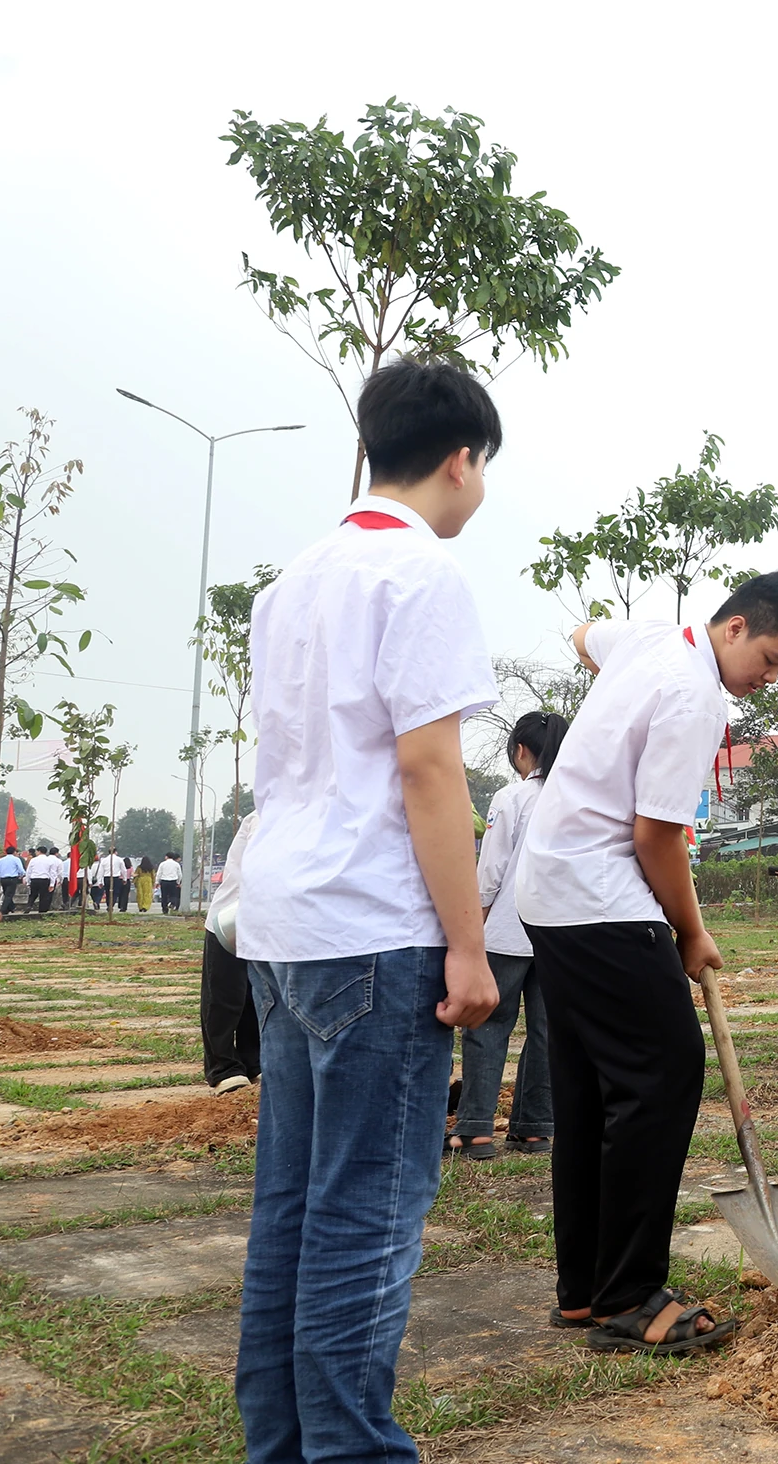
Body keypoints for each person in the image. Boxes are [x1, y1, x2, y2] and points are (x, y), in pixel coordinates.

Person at [233, 359, 506, 1463]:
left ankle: (285, 1445)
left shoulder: (290, 579)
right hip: (376, 927)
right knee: (370, 1213)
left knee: (294, 1207)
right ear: (461, 457)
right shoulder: (419, 572)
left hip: (283, 921)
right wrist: (471, 944)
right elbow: (431, 771)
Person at [516, 572, 778, 1353]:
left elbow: (584, 634)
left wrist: (613, 703)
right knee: (663, 1069)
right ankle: (629, 1296)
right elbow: (657, 837)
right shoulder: (695, 698)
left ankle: (585, 1289)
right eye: (771, 657)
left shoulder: (651, 638)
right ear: (734, 626)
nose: (769, 677)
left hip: (548, 891)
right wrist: (690, 932)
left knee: (592, 1085)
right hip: (602, 894)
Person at [455, 710, 567, 1160]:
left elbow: (492, 869)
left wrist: (472, 929)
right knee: (546, 1032)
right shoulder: (576, 797)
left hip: (507, 931)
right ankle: (535, 1128)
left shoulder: (512, 797)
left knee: (487, 1026)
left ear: (521, 751)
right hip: (558, 935)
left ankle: (476, 1131)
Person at [201, 816, 262, 1094]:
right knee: (224, 997)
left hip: (266, 921)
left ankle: (254, 1061)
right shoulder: (263, 816)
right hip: (231, 919)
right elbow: (262, 864)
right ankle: (223, 1066)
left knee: (256, 997)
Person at [0, 844, 25, 916]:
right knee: (9, 895)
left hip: (3, 879)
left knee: (6, 894)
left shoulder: (1, 860)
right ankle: (2, 911)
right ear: (14, 852)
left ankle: (11, 907)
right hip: (12, 879)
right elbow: (21, 869)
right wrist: (22, 875)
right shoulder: (16, 859)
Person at [27, 844, 57, 913]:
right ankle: (42, 911)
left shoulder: (33, 860)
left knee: (32, 894)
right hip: (44, 879)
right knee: (43, 896)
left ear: (39, 851)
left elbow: (28, 871)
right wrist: (52, 884)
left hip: (34, 879)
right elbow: (52, 873)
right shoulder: (49, 860)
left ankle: (29, 905)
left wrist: (28, 881)